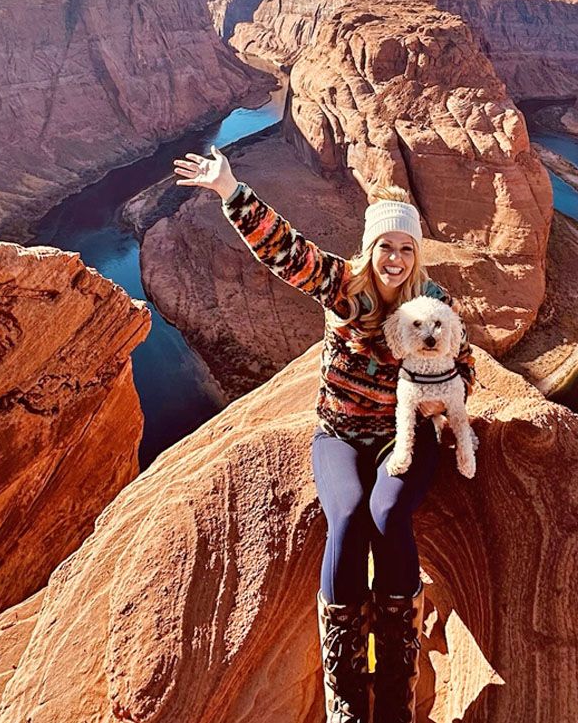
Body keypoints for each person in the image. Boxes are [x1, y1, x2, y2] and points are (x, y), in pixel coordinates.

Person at [173, 145, 476, 723]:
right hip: (338, 433)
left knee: (387, 514)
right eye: (385, 246)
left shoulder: (434, 304)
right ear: (370, 248)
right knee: (348, 514)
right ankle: (344, 688)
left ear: (417, 255)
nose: (394, 258)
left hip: (402, 434)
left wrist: (448, 397)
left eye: (405, 248)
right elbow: (286, 253)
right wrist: (230, 190)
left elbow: (464, 368)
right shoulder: (343, 286)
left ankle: (395, 681)